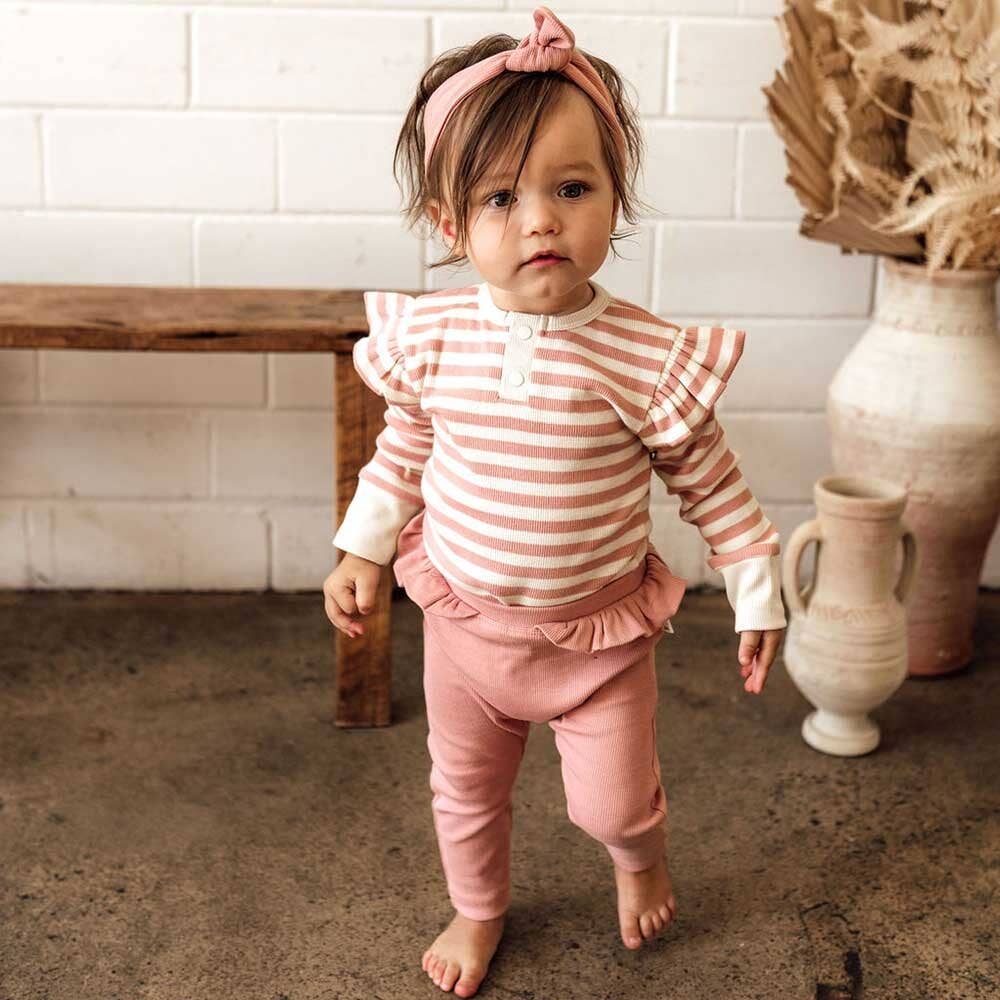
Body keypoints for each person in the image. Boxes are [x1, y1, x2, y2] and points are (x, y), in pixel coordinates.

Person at [322, 7, 787, 996]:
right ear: (451, 224)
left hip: (595, 646)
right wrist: (363, 548)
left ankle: (637, 856)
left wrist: (757, 591)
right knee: (464, 792)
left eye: (571, 189)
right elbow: (403, 450)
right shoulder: (437, 339)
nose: (540, 219)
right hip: (465, 630)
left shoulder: (641, 357)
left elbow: (711, 482)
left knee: (610, 804)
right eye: (501, 197)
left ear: (615, 200)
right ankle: (478, 908)